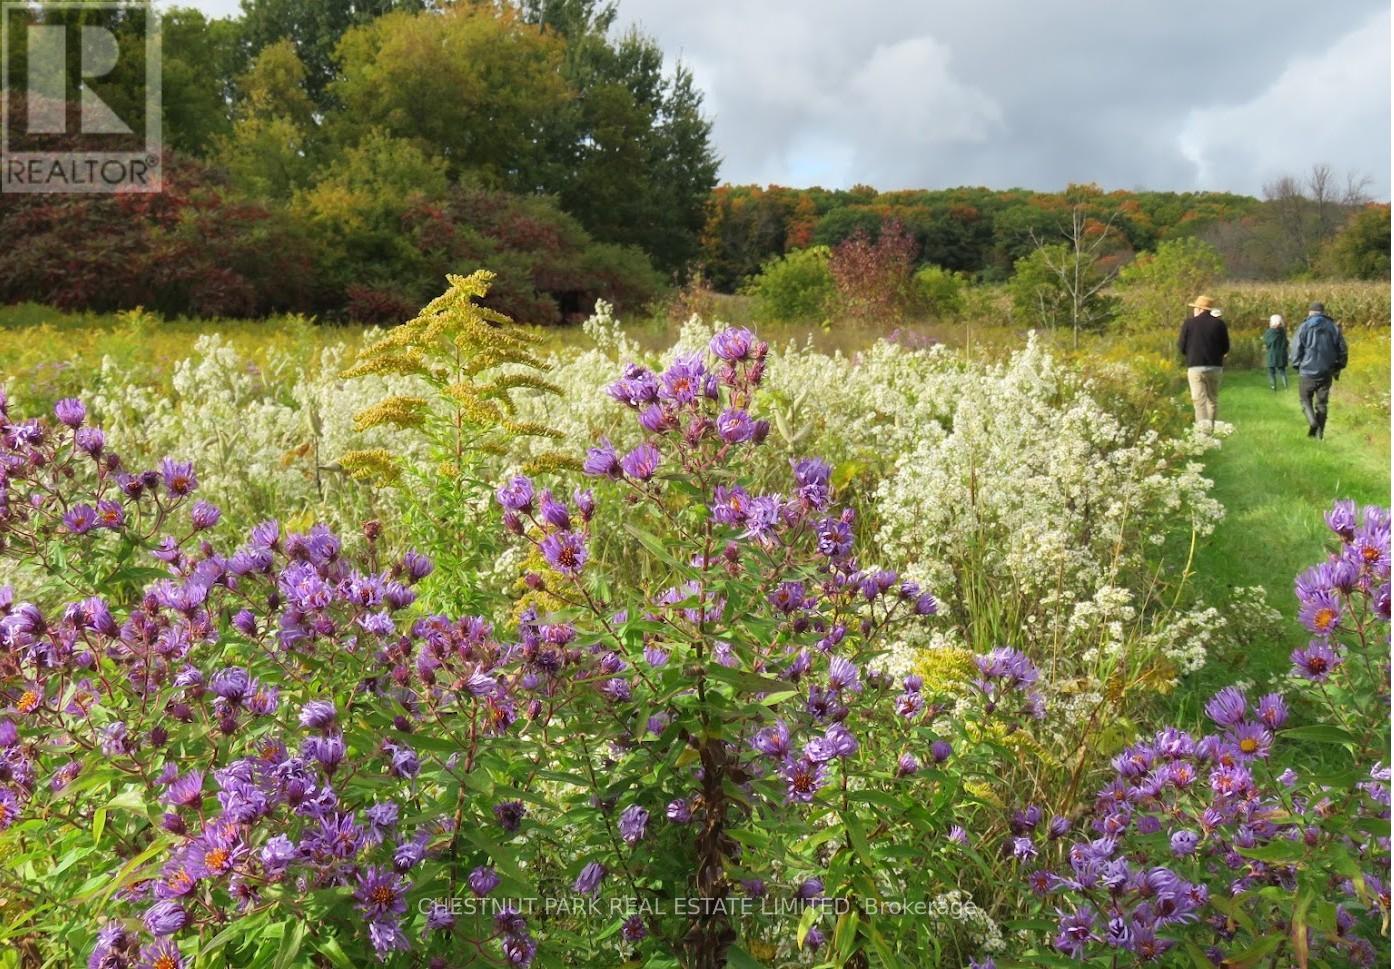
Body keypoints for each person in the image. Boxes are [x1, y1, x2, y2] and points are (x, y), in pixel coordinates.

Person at [1289, 301, 1348, 439]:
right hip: (1326, 372)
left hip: (1307, 372)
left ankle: (1313, 423)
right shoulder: (1333, 328)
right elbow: (1343, 350)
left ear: (1310, 312)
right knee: (1322, 404)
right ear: (1323, 312)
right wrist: (1338, 367)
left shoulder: (1304, 326)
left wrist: (1297, 365)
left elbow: (1295, 348)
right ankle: (1319, 434)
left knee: (1305, 400)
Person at [1177, 294, 1229, 431]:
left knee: (1199, 401)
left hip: (1195, 365)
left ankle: (1202, 432)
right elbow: (1226, 347)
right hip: (1215, 366)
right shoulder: (1219, 324)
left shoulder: (1189, 323)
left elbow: (1181, 346)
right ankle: (1211, 428)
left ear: (1199, 309)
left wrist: (1190, 354)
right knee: (1212, 399)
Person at [1263, 314, 1289, 390]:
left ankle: (1273, 387)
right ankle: (1286, 387)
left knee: (1271, 372)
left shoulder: (1268, 332)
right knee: (1282, 371)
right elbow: (1286, 343)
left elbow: (1267, 343)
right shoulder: (1283, 332)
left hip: (1272, 354)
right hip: (1282, 354)